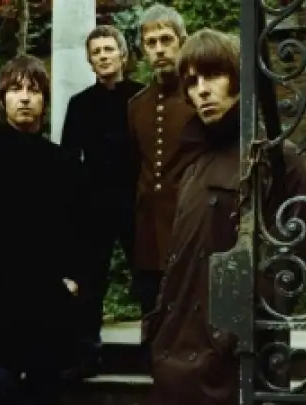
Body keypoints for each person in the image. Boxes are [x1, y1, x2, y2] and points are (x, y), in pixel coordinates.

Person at [142, 29, 306, 405]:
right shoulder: (193, 165)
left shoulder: (278, 159)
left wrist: (233, 334)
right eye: (192, 82)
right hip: (175, 358)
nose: (202, 90)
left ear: (238, 78)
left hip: (234, 362)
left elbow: (291, 267)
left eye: (212, 76)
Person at [0, 19, 88, 405]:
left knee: (45, 388)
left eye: (33, 90)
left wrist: (74, 279)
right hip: (1, 298)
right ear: (3, 101)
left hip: (49, 300)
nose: (24, 98)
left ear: (44, 100)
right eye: (15, 90)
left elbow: (82, 226)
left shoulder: (64, 161)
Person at [59, 25, 144, 377]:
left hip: (135, 202)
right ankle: (86, 355)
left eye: (109, 49)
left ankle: (156, 350)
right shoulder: (80, 105)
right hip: (93, 205)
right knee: (90, 281)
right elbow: (68, 158)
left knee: (147, 277)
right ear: (90, 61)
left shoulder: (141, 97)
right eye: (96, 52)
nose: (103, 56)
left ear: (123, 54)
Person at [127, 3, 199, 329]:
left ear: (182, 42)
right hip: (148, 231)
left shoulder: (198, 97)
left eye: (166, 40)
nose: (159, 49)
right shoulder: (136, 106)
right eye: (151, 43)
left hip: (188, 223)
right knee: (152, 317)